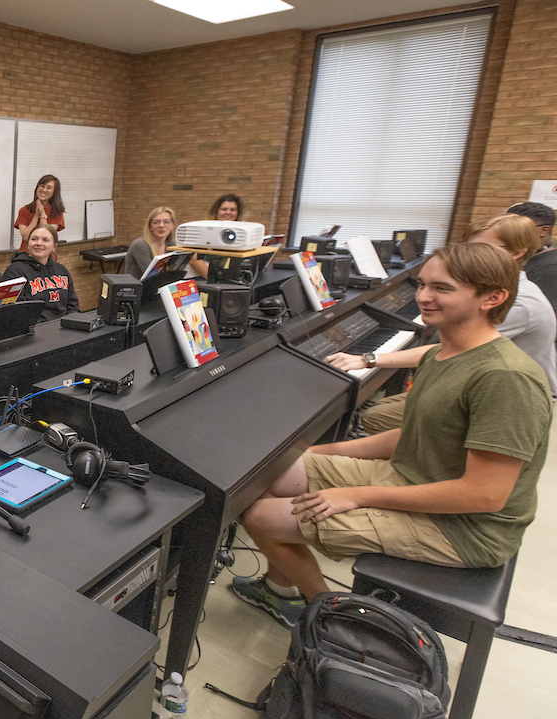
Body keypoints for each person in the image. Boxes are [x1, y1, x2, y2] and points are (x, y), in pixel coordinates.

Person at [233, 242, 551, 629]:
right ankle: (281, 588)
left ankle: (331, 620)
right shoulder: (443, 353)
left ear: (493, 297)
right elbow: (413, 437)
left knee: (260, 516)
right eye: (422, 284)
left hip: (465, 527)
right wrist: (319, 452)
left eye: (443, 288)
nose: (424, 297)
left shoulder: (505, 377)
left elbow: (484, 494)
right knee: (269, 474)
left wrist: (354, 495)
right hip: (412, 475)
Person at [329, 214, 557, 434]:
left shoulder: (519, 303)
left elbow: (457, 350)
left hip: (505, 397)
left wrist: (368, 359)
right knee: (380, 409)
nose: (468, 256)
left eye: (481, 250)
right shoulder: (498, 288)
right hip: (473, 376)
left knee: (376, 417)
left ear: (517, 252)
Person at [2, 224, 79, 320]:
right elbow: (15, 311)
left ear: (54, 247)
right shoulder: (14, 271)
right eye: (34, 239)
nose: (38, 243)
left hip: (63, 328)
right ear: (27, 244)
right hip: (33, 330)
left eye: (45, 240)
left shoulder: (62, 271)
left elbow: (72, 305)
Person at [123, 206, 208, 281]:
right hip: (138, 291)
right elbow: (151, 277)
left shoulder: (172, 244)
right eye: (156, 222)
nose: (161, 225)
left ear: (172, 225)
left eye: (166, 222)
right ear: (150, 226)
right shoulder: (140, 244)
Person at [506, 201, 557, 311]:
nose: (508, 233)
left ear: (544, 230)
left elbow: (542, 312)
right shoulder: (524, 257)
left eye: (518, 227)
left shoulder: (551, 267)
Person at [14, 174, 65, 249]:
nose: (44, 190)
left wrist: (42, 215)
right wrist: (36, 215)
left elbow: (46, 236)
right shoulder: (24, 210)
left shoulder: (57, 212)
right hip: (26, 256)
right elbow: (26, 237)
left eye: (49, 188)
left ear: (54, 192)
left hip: (46, 257)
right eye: (42, 186)